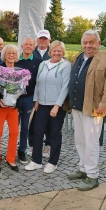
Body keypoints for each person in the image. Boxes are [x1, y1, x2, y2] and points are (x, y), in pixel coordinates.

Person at [67, 30, 106, 191]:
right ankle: (83, 168)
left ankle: (92, 176)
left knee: (91, 142)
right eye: (85, 42)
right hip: (77, 106)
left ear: (98, 43)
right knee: (80, 140)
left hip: (95, 108)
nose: (88, 45)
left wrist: (104, 105)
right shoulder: (78, 57)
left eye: (91, 42)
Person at [25, 40, 71, 173]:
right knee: (37, 132)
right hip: (42, 104)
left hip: (56, 105)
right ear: (50, 52)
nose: (56, 53)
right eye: (54, 50)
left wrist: (57, 106)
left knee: (54, 133)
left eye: (59, 51)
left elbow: (65, 87)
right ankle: (36, 160)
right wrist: (36, 100)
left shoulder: (65, 65)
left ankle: (52, 162)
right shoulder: (43, 64)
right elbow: (38, 84)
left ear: (63, 52)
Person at [0, 44, 21, 172]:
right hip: (0, 106)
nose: (11, 55)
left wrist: (17, 98)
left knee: (14, 132)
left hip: (13, 107)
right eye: (9, 53)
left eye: (13, 53)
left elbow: (22, 89)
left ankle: (11, 158)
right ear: (4, 55)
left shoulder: (20, 71)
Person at [15, 38, 43, 164]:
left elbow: (39, 82)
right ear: (22, 46)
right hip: (15, 98)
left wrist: (37, 99)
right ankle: (11, 149)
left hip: (29, 98)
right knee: (13, 126)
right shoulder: (16, 59)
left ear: (34, 47)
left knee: (25, 126)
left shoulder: (38, 62)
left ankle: (22, 150)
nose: (28, 46)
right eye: (25, 44)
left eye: (30, 45)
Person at [29, 29, 52, 158]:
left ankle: (47, 144)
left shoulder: (53, 53)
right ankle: (31, 144)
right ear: (37, 40)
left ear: (49, 40)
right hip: (32, 93)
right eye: (40, 39)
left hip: (48, 94)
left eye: (45, 39)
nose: (42, 41)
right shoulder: (31, 52)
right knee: (32, 121)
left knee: (48, 121)